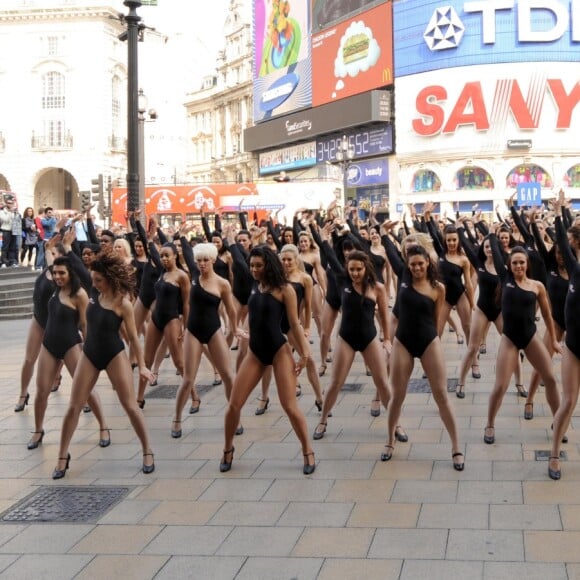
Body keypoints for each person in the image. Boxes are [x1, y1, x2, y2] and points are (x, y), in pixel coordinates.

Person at [53, 250, 155, 479]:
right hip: (89, 353)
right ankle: (62, 456)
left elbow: (133, 336)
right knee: (73, 406)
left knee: (130, 406)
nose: (95, 283)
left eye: (98, 280)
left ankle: (147, 450)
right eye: (93, 280)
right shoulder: (91, 292)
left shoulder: (123, 303)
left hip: (113, 354)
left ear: (109, 278)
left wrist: (142, 366)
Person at [221, 245, 316, 475]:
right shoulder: (255, 284)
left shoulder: (285, 290)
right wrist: (235, 328)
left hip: (278, 349)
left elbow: (294, 324)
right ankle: (227, 448)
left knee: (289, 405)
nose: (254, 269)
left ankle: (307, 450)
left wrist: (304, 354)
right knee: (234, 404)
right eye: (252, 265)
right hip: (255, 351)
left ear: (269, 265)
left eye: (259, 266)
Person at [386, 245, 464, 470]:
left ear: (428, 262)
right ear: (407, 266)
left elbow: (438, 318)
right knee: (397, 396)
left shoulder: (438, 288)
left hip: (428, 340)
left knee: (441, 395)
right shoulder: (403, 278)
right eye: (413, 265)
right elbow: (393, 251)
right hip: (403, 342)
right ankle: (390, 441)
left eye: (420, 263)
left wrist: (436, 341)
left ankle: (456, 447)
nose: (417, 267)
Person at [484, 238, 561, 447]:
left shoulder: (537, 286)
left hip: (530, 337)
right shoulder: (505, 278)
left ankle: (558, 421)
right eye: (515, 262)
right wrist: (491, 232)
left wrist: (553, 340)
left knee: (551, 379)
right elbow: (498, 251)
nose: (518, 266)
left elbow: (547, 314)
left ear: (527, 264)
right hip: (509, 339)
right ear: (509, 265)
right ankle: (490, 423)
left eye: (522, 262)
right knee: (500, 386)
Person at [313, 244, 392, 446]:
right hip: (346, 339)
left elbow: (384, 317)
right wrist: (322, 237)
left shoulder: (378, 288)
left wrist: (387, 340)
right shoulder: (342, 283)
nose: (355, 273)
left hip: (369, 338)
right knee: (335, 383)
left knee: (382, 382)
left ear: (366, 267)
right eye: (352, 269)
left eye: (359, 269)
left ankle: (395, 423)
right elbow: (329, 254)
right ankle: (323, 420)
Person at [27, 256, 109, 450]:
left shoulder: (79, 294)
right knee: (41, 392)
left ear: (70, 272)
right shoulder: (55, 289)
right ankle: (38, 430)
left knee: (85, 390)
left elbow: (84, 324)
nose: (57, 276)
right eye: (55, 273)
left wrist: (90, 350)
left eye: (61, 273)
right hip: (49, 345)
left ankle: (104, 426)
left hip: (71, 345)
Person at [171, 242, 239, 439]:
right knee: (188, 379)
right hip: (193, 330)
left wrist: (234, 329)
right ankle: (176, 418)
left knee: (227, 375)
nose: (202, 264)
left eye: (205, 260)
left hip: (213, 329)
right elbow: (182, 251)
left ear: (213, 260)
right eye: (199, 260)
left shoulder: (222, 284)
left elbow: (231, 309)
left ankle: (235, 416)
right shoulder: (192, 277)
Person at [546, 195, 580, 480]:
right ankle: (554, 455)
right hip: (573, 346)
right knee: (568, 401)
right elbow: (561, 237)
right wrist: (559, 213)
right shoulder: (576, 270)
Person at [137, 242, 190, 407]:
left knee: (179, 362)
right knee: (146, 361)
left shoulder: (182, 276)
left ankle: (194, 395)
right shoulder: (162, 272)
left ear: (175, 256)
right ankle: (139, 398)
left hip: (172, 319)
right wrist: (142, 227)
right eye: (162, 256)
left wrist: (186, 326)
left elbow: (187, 303)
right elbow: (150, 249)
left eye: (167, 255)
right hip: (156, 318)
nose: (164, 259)